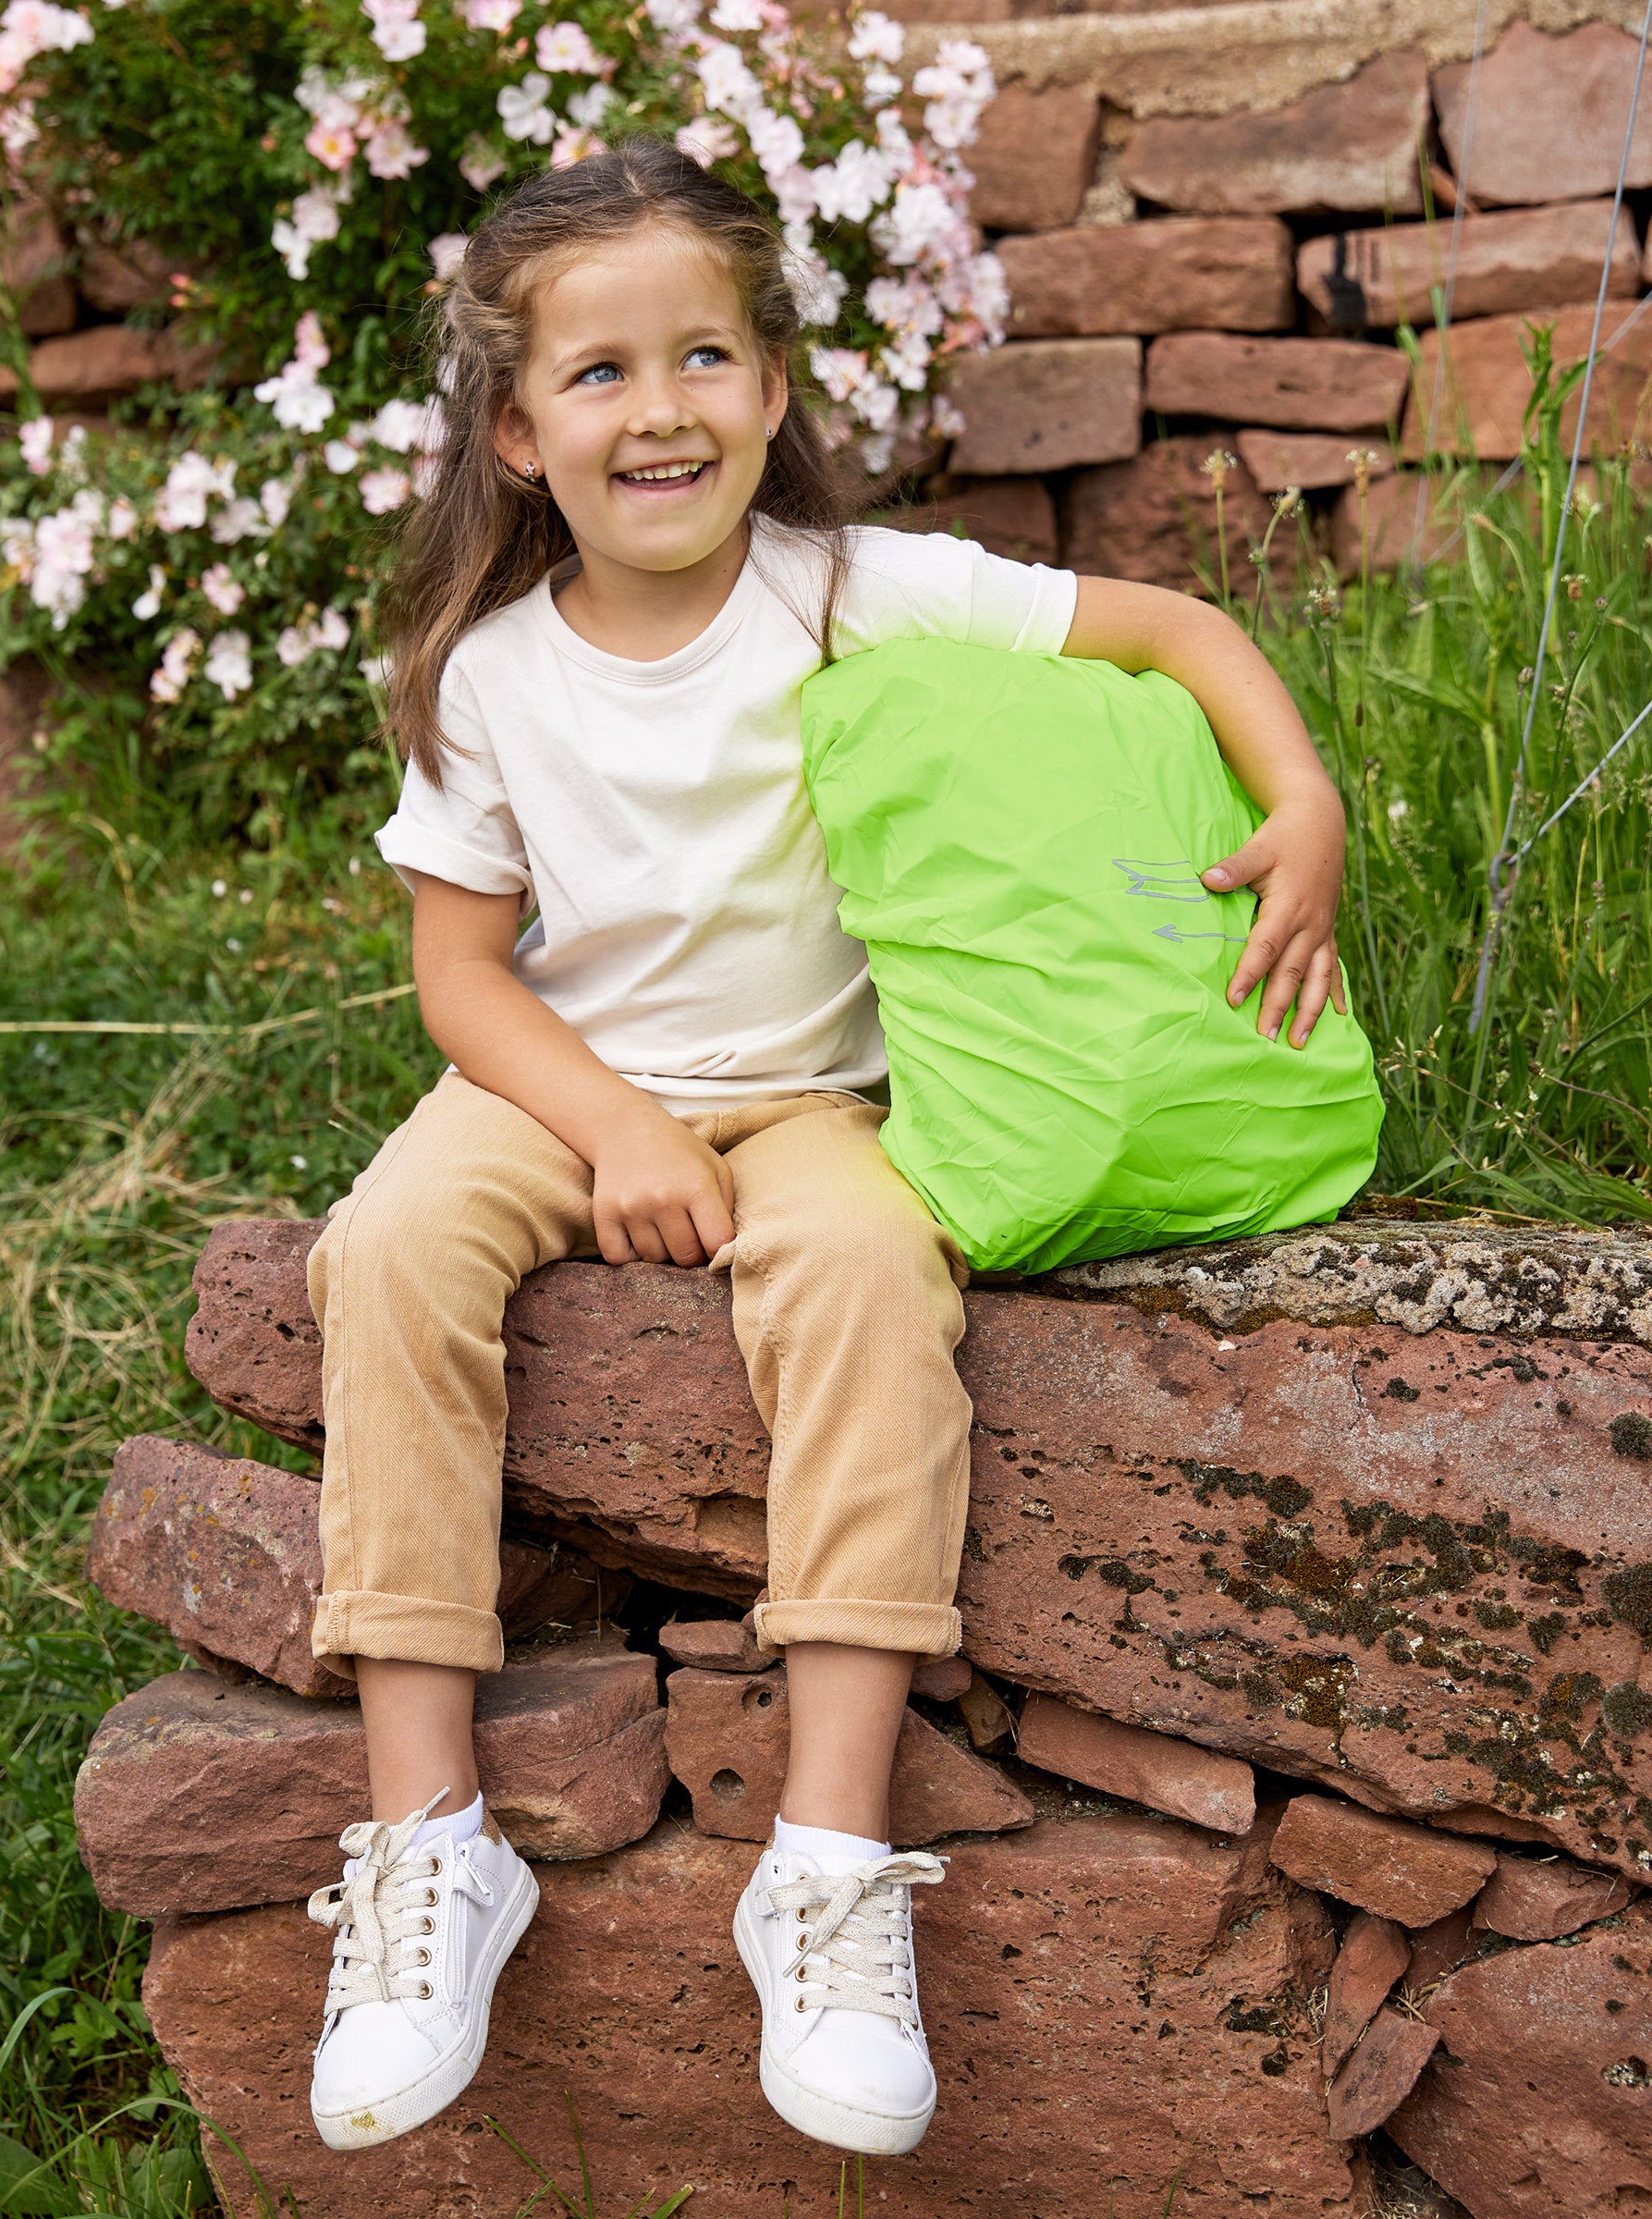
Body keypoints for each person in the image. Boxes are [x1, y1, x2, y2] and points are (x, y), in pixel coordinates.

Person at [300, 135, 1348, 2162]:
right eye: (597, 376)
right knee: (390, 1251)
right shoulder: (481, 674)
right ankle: (428, 1848)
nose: (658, 408)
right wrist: (605, 1126)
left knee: (870, 1275)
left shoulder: (859, 590)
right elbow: (462, 980)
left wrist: (1298, 798)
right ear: (518, 431)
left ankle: (832, 1864)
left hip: (819, 1095)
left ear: (772, 393)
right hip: (553, 1079)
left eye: (702, 358)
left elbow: (1175, 630)